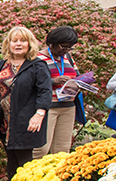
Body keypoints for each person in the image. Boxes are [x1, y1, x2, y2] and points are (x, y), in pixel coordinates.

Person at [0, 26, 52, 181]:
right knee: (10, 157)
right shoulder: (1, 65)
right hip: (5, 121)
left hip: (27, 119)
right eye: (14, 41)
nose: (18, 44)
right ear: (8, 44)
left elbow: (45, 92)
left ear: (30, 44)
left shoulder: (37, 65)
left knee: (24, 159)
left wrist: (39, 114)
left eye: (23, 41)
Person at [33, 26, 83, 159]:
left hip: (68, 107)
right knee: (41, 148)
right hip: (48, 107)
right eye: (63, 46)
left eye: (69, 47)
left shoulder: (68, 58)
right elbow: (30, 82)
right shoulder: (37, 58)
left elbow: (76, 75)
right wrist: (53, 81)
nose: (66, 50)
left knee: (62, 149)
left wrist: (81, 83)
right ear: (52, 42)